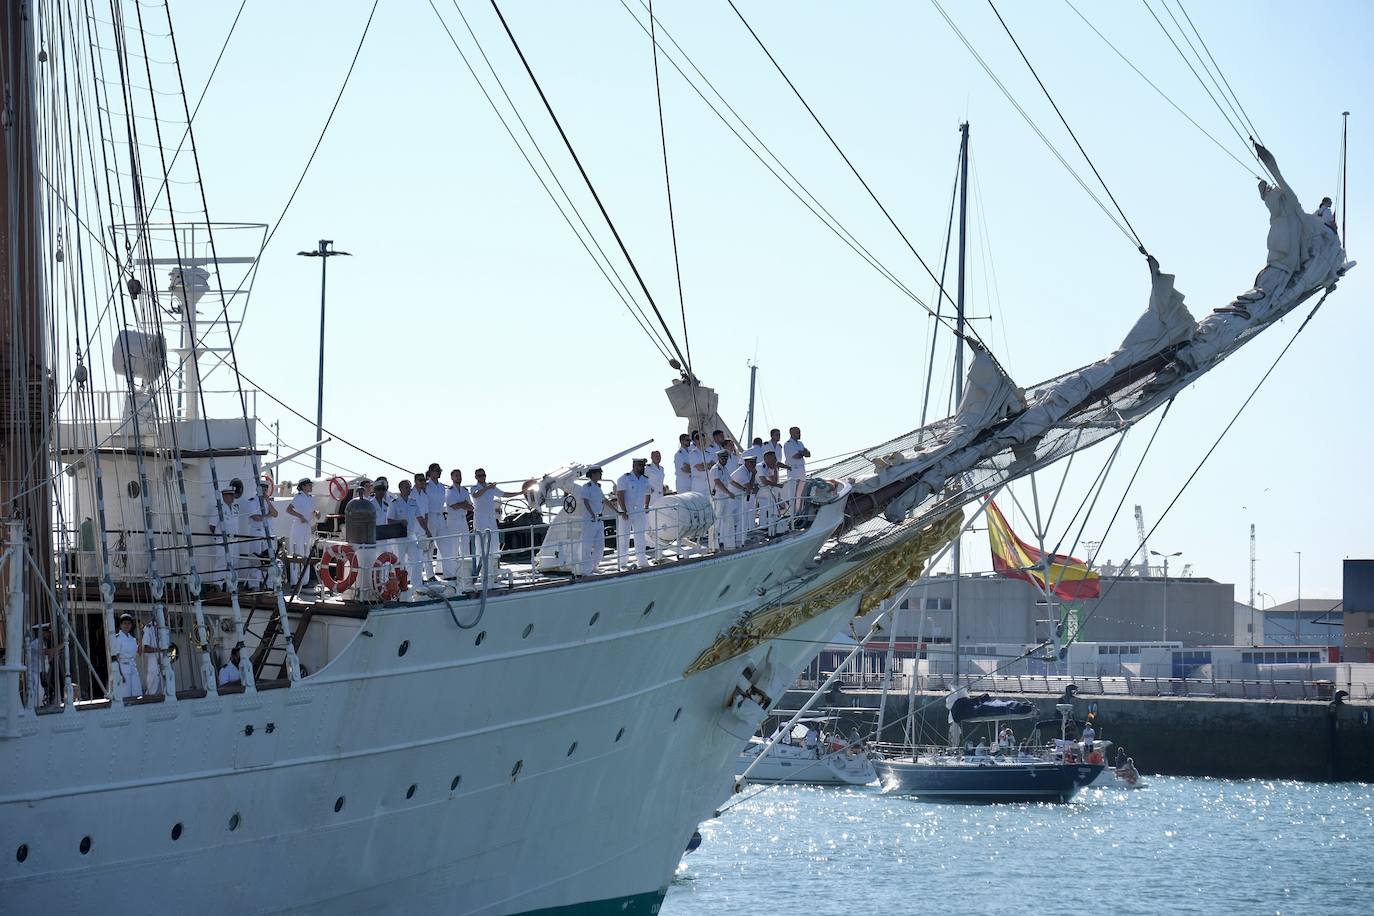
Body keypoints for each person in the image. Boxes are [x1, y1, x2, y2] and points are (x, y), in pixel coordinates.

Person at [470, 469, 531, 575]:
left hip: (491, 519)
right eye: (479, 476)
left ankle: (494, 568)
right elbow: (476, 495)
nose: (482, 477)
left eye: (483, 475)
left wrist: (520, 492)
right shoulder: (474, 488)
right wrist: (488, 487)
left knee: (494, 542)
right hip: (480, 519)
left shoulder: (491, 488)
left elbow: (504, 494)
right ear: (476, 477)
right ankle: (481, 569)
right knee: (480, 543)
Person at [614, 458, 652, 570]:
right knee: (624, 537)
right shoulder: (625, 478)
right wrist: (624, 511)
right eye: (641, 466)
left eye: (644, 466)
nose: (643, 468)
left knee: (640, 536)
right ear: (635, 466)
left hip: (639, 511)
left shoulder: (645, 479)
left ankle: (642, 560)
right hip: (627, 510)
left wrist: (646, 506)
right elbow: (620, 495)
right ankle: (623, 562)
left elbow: (648, 493)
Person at [388, 478, 423, 590]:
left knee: (417, 560)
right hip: (399, 537)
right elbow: (389, 520)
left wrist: (427, 530)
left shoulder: (413, 502)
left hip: (411, 535)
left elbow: (420, 517)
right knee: (400, 562)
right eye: (406, 487)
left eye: (409, 487)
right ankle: (398, 586)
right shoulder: (394, 503)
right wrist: (400, 522)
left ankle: (417, 586)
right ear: (401, 489)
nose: (409, 489)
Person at [244, 478, 278, 590]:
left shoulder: (267, 502)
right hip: (257, 532)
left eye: (266, 488)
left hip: (267, 533)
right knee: (256, 558)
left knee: (268, 559)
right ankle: (254, 585)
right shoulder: (252, 501)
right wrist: (268, 515)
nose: (264, 490)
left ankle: (268, 584)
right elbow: (255, 517)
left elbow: (275, 514)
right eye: (262, 488)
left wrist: (268, 501)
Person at [209, 483, 242, 590]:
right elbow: (212, 526)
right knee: (221, 564)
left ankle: (231, 587)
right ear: (225, 496)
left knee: (234, 563)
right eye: (231, 495)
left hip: (234, 541)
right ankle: (217, 586)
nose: (233, 497)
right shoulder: (218, 509)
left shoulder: (235, 508)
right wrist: (219, 538)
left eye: (233, 495)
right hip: (222, 541)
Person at [445, 469, 475, 587]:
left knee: (465, 545)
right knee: (453, 546)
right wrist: (463, 504)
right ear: (452, 478)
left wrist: (462, 505)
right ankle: (454, 572)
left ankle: (465, 571)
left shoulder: (464, 490)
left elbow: (470, 506)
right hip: (453, 521)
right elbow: (453, 506)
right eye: (456, 476)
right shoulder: (449, 491)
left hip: (463, 520)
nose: (459, 477)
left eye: (460, 475)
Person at [286, 478, 318, 586]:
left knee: (306, 553)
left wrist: (317, 513)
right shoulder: (298, 497)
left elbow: (312, 511)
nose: (311, 487)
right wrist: (300, 516)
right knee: (296, 552)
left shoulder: (310, 498)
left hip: (307, 527)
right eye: (309, 485)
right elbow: (289, 509)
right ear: (303, 486)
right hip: (298, 527)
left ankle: (305, 581)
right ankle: (295, 581)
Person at [26, 623, 63, 709]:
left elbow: (45, 660)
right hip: (35, 677)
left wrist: (53, 656)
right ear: (41, 632)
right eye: (46, 632)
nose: (48, 634)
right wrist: (63, 644)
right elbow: (48, 652)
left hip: (42, 676)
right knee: (37, 701)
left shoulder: (41, 643)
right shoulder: (36, 643)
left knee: (42, 698)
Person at [578, 467, 607, 576]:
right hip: (590, 520)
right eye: (599, 473)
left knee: (600, 545)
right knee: (587, 545)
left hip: (599, 520)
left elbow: (604, 500)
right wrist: (591, 514)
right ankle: (586, 570)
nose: (601, 475)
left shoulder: (598, 487)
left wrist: (617, 511)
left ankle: (594, 566)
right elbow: (585, 501)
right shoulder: (587, 487)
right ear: (593, 474)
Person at [423, 463, 449, 579]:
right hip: (430, 517)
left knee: (445, 545)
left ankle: (448, 573)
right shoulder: (426, 486)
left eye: (439, 470)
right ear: (430, 472)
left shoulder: (442, 486)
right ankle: (429, 575)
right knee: (429, 547)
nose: (438, 472)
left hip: (441, 517)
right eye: (435, 470)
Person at [729, 454, 759, 545]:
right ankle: (736, 540)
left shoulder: (747, 471)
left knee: (742, 519)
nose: (753, 464)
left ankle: (740, 539)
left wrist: (753, 483)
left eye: (754, 462)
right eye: (751, 462)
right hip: (732, 500)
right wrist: (754, 475)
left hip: (738, 499)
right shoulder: (742, 473)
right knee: (732, 520)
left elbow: (752, 486)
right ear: (746, 463)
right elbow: (749, 488)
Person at [709, 449, 736, 551]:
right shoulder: (715, 469)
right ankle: (713, 546)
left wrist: (742, 488)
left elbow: (731, 481)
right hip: (718, 498)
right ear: (719, 458)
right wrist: (729, 493)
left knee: (729, 520)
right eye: (723, 458)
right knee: (716, 522)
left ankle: (728, 544)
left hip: (725, 498)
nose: (725, 460)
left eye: (726, 458)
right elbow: (718, 482)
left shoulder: (724, 469)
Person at [410, 473, 435, 582]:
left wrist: (426, 529)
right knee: (413, 555)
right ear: (415, 481)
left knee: (426, 553)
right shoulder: (411, 494)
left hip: (422, 528)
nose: (422, 482)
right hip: (413, 528)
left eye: (424, 480)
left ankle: (430, 576)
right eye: (420, 480)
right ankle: (412, 577)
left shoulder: (425, 496)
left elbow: (425, 514)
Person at [140, 615, 173, 696]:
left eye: (166, 614)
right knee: (153, 684)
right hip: (153, 659)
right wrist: (159, 650)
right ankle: (150, 702)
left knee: (169, 681)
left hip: (165, 658)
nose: (165, 617)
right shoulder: (149, 628)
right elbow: (145, 648)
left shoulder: (166, 628)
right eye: (163, 614)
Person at [112, 613, 143, 699]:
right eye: (124, 623)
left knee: (137, 692)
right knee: (125, 694)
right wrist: (120, 674)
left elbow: (139, 653)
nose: (127, 625)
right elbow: (115, 658)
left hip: (133, 667)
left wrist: (141, 637)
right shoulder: (118, 638)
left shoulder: (132, 639)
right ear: (121, 625)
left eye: (129, 623)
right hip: (123, 667)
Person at [756, 449, 784, 535]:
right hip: (757, 489)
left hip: (764, 489)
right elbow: (764, 481)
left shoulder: (768, 467)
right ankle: (773, 520)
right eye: (773, 458)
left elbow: (774, 481)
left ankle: (767, 524)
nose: (775, 460)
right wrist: (777, 485)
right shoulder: (760, 466)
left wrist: (775, 470)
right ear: (767, 459)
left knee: (767, 504)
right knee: (772, 498)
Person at [784, 426, 811, 515]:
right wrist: (803, 452)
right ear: (791, 433)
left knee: (801, 492)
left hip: (801, 469)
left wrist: (802, 453)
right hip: (793, 470)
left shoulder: (800, 443)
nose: (799, 434)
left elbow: (808, 454)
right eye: (797, 432)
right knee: (793, 492)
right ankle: (793, 513)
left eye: (799, 432)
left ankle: (799, 511)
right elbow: (796, 456)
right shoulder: (787, 444)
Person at [688, 431, 710, 495]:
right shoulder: (693, 453)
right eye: (700, 440)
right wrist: (708, 465)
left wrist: (704, 465)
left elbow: (714, 465)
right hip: (698, 484)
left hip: (708, 483)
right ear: (696, 441)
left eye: (704, 440)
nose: (703, 441)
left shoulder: (708, 453)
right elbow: (699, 468)